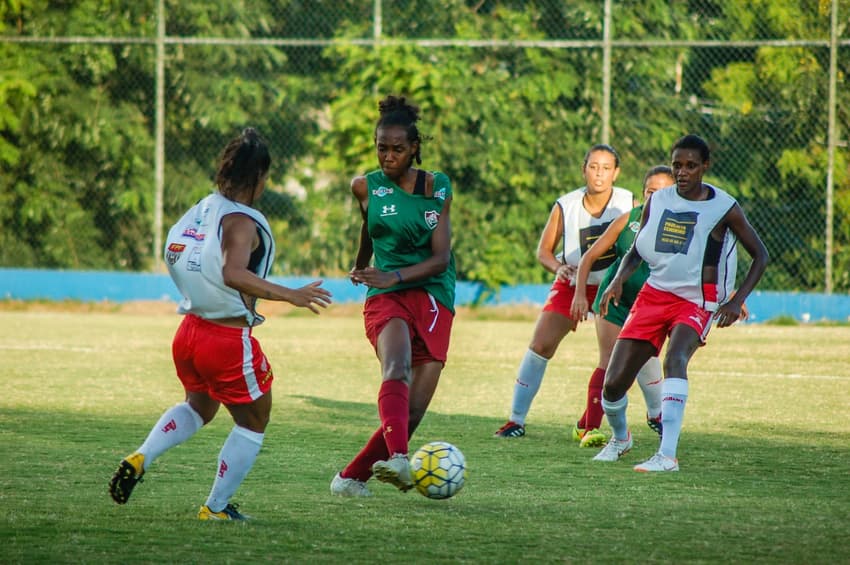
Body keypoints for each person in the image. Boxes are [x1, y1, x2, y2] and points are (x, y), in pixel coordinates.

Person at [108, 128, 332, 519]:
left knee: (198, 408)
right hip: (226, 339)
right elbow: (233, 273)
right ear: (259, 179)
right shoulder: (242, 222)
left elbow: (178, 254)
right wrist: (291, 294)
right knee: (255, 419)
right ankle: (215, 507)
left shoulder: (202, 209)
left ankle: (143, 455)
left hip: (189, 332)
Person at [592, 134, 768, 471]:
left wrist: (737, 299)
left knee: (675, 359)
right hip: (654, 295)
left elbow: (760, 255)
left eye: (690, 165)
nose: (683, 172)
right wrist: (617, 280)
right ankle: (620, 438)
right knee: (613, 385)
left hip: (696, 300)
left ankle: (666, 455)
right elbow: (636, 250)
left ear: (705, 166)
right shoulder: (658, 202)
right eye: (677, 165)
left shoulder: (723, 206)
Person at [330, 95, 456, 497]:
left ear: (414, 148)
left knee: (412, 412)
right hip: (386, 298)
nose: (388, 156)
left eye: (398, 149)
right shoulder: (365, 186)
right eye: (381, 147)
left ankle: (349, 479)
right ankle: (400, 459)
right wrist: (361, 264)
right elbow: (370, 227)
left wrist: (394, 275)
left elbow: (440, 260)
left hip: (434, 294)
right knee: (397, 366)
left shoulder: (437, 187)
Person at [493, 144, 636, 438]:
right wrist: (558, 267)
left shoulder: (628, 202)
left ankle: (596, 423)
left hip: (613, 285)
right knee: (541, 346)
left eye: (606, 168)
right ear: (584, 168)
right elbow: (543, 251)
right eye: (594, 166)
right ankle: (515, 420)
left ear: (616, 173)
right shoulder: (565, 205)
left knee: (620, 354)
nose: (599, 173)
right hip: (573, 283)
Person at [568, 166, 676, 448]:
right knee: (609, 361)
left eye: (663, 191)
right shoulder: (629, 220)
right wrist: (580, 293)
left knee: (644, 362)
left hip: (650, 305)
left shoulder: (681, 226)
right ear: (642, 194)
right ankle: (591, 429)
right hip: (615, 300)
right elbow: (589, 257)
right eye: (650, 191)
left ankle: (653, 416)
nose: (656, 197)